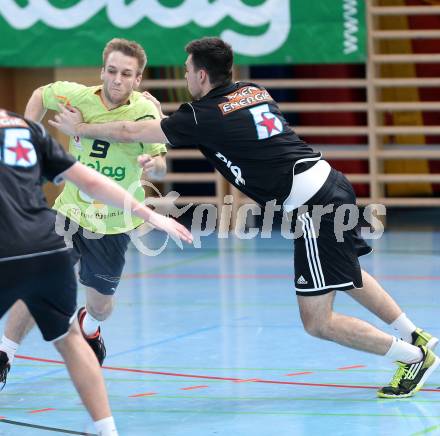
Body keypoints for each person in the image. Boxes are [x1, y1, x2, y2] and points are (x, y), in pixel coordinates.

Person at [48, 36, 440, 399]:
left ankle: (410, 357)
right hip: (329, 183)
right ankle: (416, 335)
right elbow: (195, 125)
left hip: (312, 206)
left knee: (317, 321)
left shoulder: (203, 115)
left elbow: (128, 131)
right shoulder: (251, 91)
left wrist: (80, 127)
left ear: (201, 75)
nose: (184, 75)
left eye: (186, 70)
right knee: (348, 274)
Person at [0, 110, 192, 434]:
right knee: (69, 338)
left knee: (95, 310)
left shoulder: (142, 106)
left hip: (9, 249)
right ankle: (106, 428)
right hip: (49, 248)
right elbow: (89, 180)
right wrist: (152, 215)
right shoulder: (28, 128)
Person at [0, 38, 168, 374]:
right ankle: (5, 353)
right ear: (102, 71)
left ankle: (89, 324)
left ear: (137, 80)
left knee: (102, 306)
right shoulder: (76, 96)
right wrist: (31, 140)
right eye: (112, 71)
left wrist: (153, 165)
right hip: (70, 211)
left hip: (113, 223)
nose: (117, 79)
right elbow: (39, 96)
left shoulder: (145, 111)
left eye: (126, 74)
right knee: (38, 279)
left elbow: (162, 162)